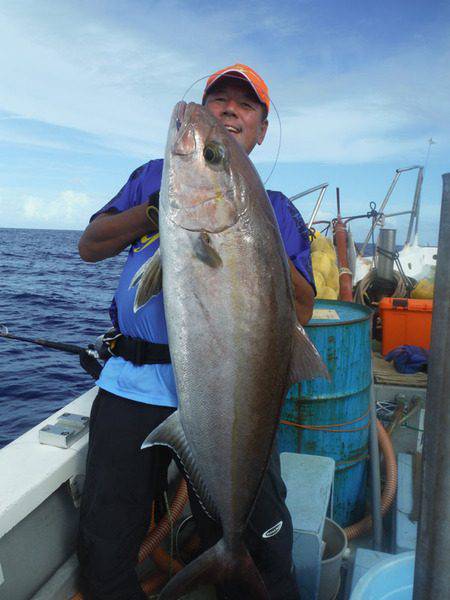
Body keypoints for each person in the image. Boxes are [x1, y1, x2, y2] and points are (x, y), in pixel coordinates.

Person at [77, 63, 315, 600]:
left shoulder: (276, 210)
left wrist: (249, 243)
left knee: (259, 542)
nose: (228, 111)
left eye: (245, 105)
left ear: (260, 130)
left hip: (231, 395)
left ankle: (236, 562)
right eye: (218, 101)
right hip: (132, 385)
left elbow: (302, 308)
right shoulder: (150, 179)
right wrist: (158, 212)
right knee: (107, 539)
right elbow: (90, 246)